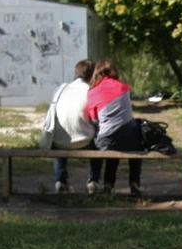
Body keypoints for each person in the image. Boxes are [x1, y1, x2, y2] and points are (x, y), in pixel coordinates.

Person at [85, 59, 143, 196]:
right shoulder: (124, 87)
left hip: (108, 140)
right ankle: (134, 184)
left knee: (109, 140)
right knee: (133, 144)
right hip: (130, 138)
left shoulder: (92, 92)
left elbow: (94, 120)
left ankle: (107, 185)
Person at [50, 59, 101, 193]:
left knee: (60, 138)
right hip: (84, 142)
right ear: (92, 75)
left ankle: (60, 181)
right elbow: (96, 119)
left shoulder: (60, 89)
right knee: (99, 142)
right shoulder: (91, 91)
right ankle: (93, 181)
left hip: (59, 142)